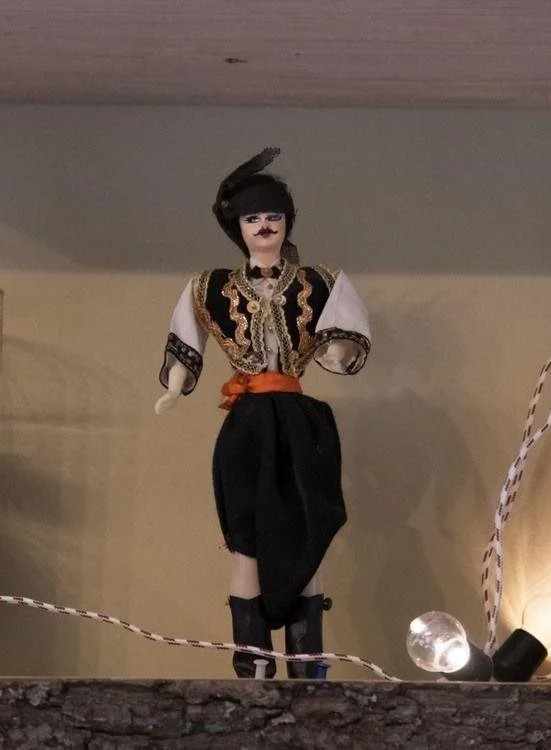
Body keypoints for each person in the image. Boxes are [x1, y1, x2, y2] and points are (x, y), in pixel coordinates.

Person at [155, 147, 371, 678]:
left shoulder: (320, 281)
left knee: (306, 529)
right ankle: (252, 659)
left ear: (287, 222)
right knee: (246, 542)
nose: (264, 225)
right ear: (238, 227)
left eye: (274, 216)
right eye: (253, 218)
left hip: (300, 424)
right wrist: (174, 387)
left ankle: (306, 662)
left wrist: (336, 349)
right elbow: (187, 337)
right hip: (247, 426)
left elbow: (343, 341)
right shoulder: (211, 286)